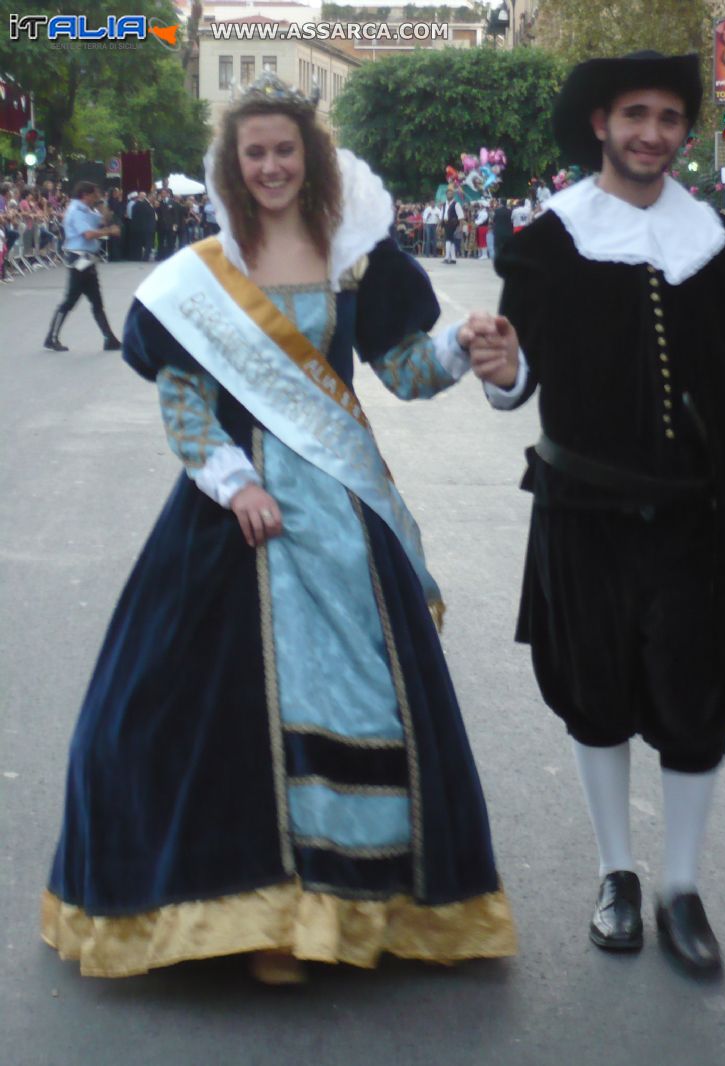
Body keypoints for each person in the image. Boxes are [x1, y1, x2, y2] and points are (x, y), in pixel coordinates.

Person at [41, 72, 516, 984]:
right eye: (254, 152)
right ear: (233, 162)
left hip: (340, 506)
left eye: (285, 150)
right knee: (155, 713)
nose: (270, 166)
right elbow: (184, 402)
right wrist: (234, 483)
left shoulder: (360, 260)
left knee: (372, 699)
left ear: (312, 157)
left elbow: (407, 373)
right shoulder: (198, 277)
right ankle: (256, 913)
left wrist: (469, 345)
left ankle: (352, 907)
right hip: (238, 509)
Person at [466, 51, 725, 976]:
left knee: (699, 706)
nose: (651, 132)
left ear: (685, 133)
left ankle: (681, 887)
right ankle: (617, 874)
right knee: (596, 693)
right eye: (634, 115)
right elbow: (519, 374)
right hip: (583, 511)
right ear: (601, 126)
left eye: (667, 118)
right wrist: (504, 375)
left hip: (697, 517)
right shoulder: (548, 239)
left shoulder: (715, 244)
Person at [43, 181, 121, 352]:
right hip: (79, 258)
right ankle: (52, 337)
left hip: (87, 259)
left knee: (96, 301)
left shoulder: (86, 210)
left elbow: (103, 220)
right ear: (85, 195)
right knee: (71, 300)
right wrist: (109, 232)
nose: (96, 197)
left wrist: (102, 204)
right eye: (94, 194)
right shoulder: (76, 211)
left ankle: (110, 338)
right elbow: (88, 234)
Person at [441, 187, 464, 264]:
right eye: (448, 194)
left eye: (450, 194)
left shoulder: (456, 204)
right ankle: (453, 258)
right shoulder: (444, 204)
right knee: (451, 241)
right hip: (446, 224)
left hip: (453, 224)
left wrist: (460, 227)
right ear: (446, 195)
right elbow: (442, 215)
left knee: (448, 240)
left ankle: (447, 257)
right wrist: (439, 226)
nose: (449, 195)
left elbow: (461, 217)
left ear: (453, 195)